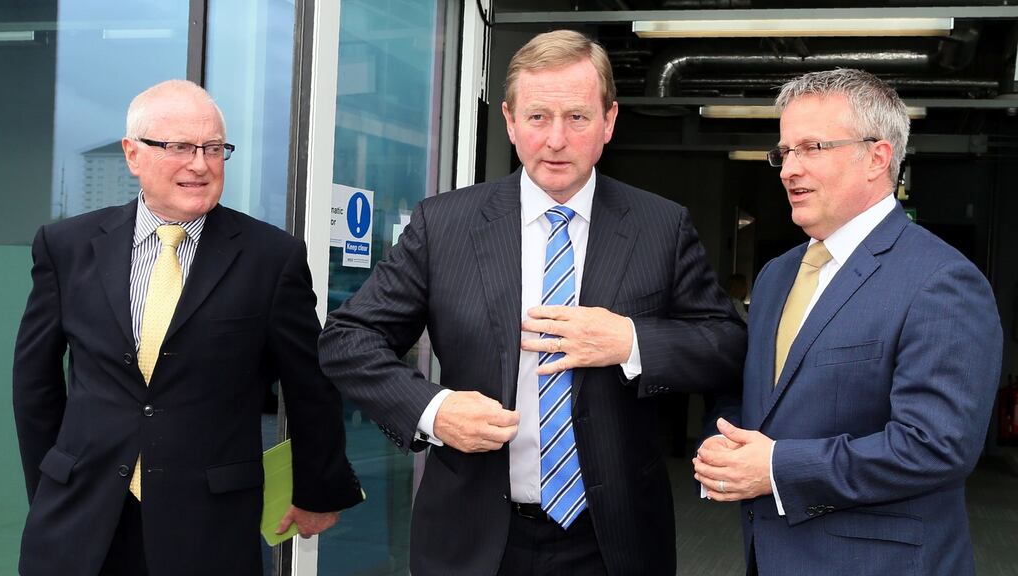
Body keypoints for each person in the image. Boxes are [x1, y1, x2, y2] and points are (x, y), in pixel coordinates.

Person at [319, 30, 745, 576]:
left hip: (613, 541)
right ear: (509, 121)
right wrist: (435, 410)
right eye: (538, 117)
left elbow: (727, 344)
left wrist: (630, 342)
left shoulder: (661, 226)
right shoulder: (444, 224)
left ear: (609, 122)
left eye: (578, 117)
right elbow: (348, 340)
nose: (556, 140)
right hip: (472, 538)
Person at [13, 79, 363, 575]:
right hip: (79, 519)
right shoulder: (66, 246)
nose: (199, 164)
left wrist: (318, 488)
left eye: (214, 148)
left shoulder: (270, 259)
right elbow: (35, 385)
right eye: (178, 147)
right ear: (132, 154)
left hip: (208, 526)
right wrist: (51, 486)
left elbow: (311, 386)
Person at [693, 69, 1002, 576]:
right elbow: (756, 396)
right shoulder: (776, 276)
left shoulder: (941, 281)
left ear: (877, 158)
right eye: (784, 152)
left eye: (811, 147)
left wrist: (774, 468)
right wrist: (721, 442)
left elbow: (935, 446)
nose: (788, 169)